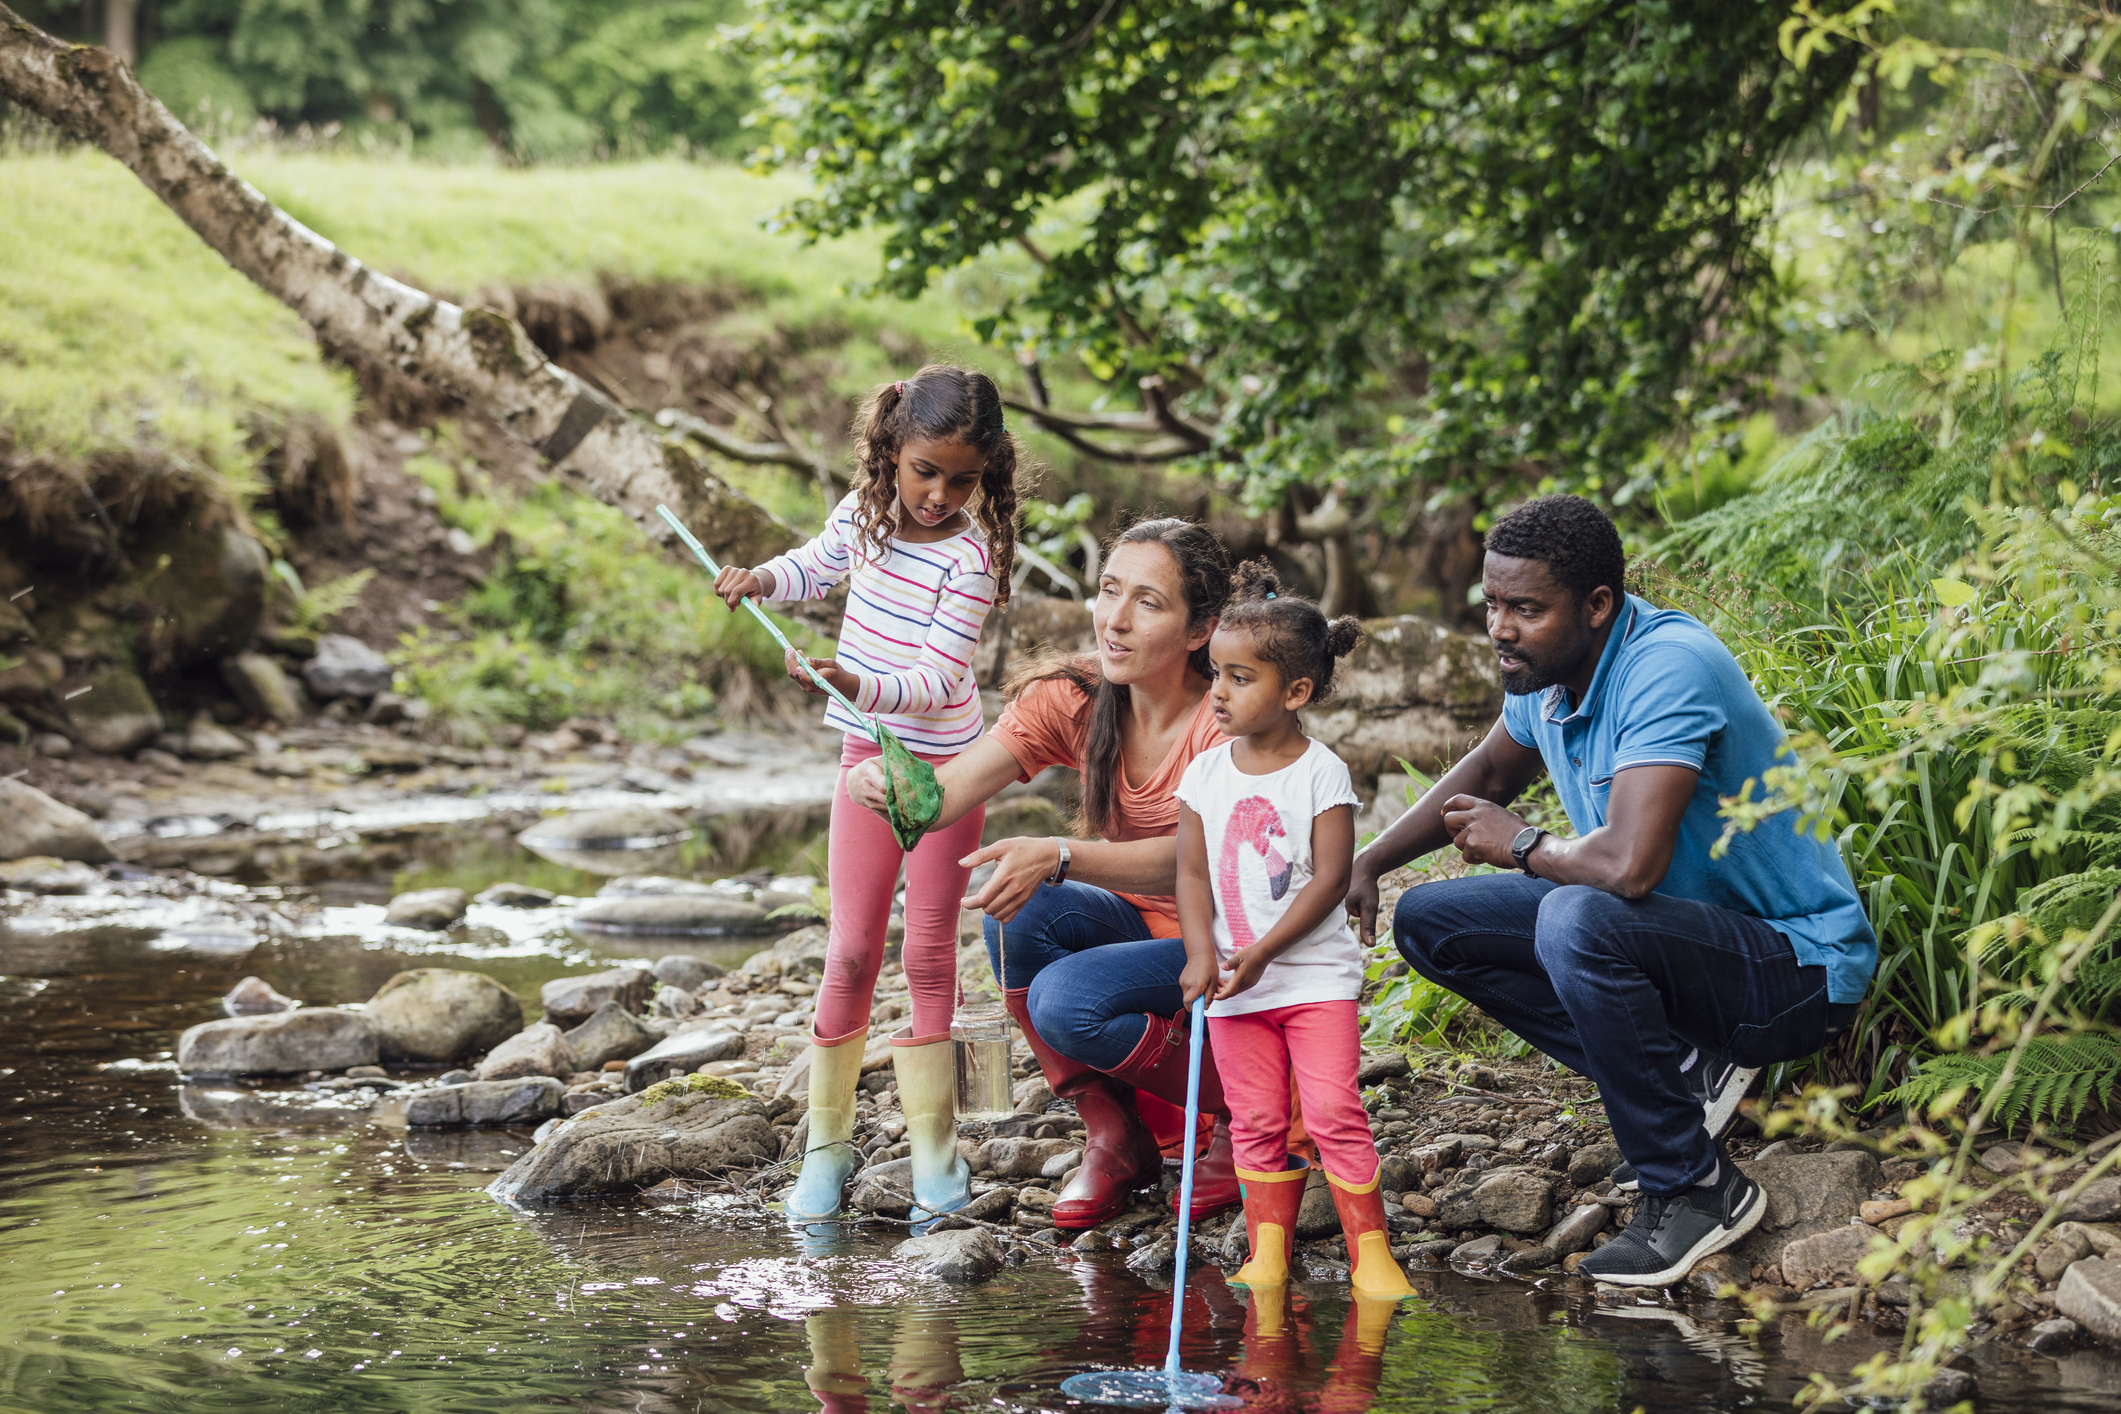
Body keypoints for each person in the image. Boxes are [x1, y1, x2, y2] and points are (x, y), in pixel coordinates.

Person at [1345, 494, 1876, 1288]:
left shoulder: (1666, 666)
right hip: (1682, 945)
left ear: (1597, 606)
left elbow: (1627, 869)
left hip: (1792, 970)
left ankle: (1695, 1189)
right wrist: (1369, 861)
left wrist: (1521, 844)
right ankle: (1685, 1070)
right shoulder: (1542, 669)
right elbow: (1490, 770)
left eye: (1525, 609)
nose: (1499, 628)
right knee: (1429, 918)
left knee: (1575, 917)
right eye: (1491, 604)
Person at [846, 517, 1247, 1227]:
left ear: (1199, 630)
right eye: (1108, 591)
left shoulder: (1229, 717)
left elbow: (1205, 863)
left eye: (1148, 603)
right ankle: (1114, 1137)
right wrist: (885, 777)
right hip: (1141, 936)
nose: (1114, 621)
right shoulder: (1075, 696)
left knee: (1067, 1002)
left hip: (1238, 946)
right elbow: (940, 798)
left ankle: (1249, 1107)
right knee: (1018, 914)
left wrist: (1059, 854)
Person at [712, 364, 1022, 1223]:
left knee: (927, 954)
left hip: (946, 772)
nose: (937, 493)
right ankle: (826, 1147)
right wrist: (762, 580)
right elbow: (815, 568)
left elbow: (935, 677)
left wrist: (853, 676)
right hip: (864, 760)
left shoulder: (971, 557)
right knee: (849, 951)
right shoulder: (861, 519)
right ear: (891, 453)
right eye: (924, 471)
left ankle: (934, 1151)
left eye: (961, 479)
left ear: (984, 474)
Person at [1173, 564, 1413, 1301]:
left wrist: (1262, 952)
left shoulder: (1320, 774)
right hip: (1234, 986)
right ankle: (1267, 1251)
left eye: (1238, 678)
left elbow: (1329, 881)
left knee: (1335, 1110)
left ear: (1295, 691)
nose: (1217, 691)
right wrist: (1199, 952)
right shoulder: (1206, 775)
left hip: (1309, 982)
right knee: (1255, 1117)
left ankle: (1370, 1253)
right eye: (1214, 673)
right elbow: (1190, 876)